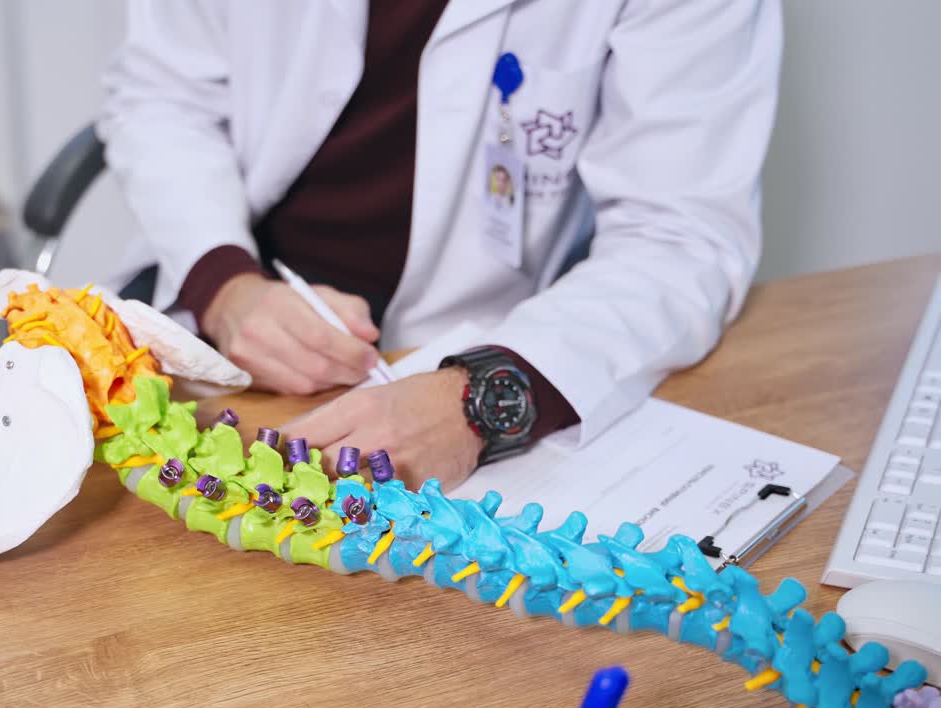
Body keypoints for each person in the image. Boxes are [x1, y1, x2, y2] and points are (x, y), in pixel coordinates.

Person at [98, 1, 782, 489]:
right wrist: (224, 284)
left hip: (476, 348)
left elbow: (679, 234)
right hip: (216, 316)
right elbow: (164, 97)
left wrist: (483, 398)